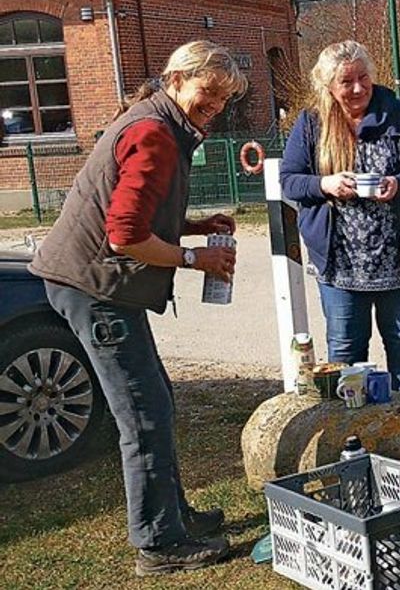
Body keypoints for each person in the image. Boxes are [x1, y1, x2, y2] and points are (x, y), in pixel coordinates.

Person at [28, 41, 248, 575]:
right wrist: (195, 255)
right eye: (207, 93)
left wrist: (194, 226)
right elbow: (125, 234)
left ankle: (174, 518)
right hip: (96, 288)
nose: (214, 106)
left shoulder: (157, 120)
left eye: (223, 99)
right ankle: (158, 543)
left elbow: (136, 209)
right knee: (143, 414)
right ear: (176, 79)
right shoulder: (154, 132)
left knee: (158, 402)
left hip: (99, 285)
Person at [280, 41, 400, 402]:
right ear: (328, 86)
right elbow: (289, 179)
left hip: (397, 259)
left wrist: (399, 183)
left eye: (363, 78)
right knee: (344, 348)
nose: (357, 89)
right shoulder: (311, 123)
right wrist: (325, 184)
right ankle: (348, 427)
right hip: (339, 264)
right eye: (346, 82)